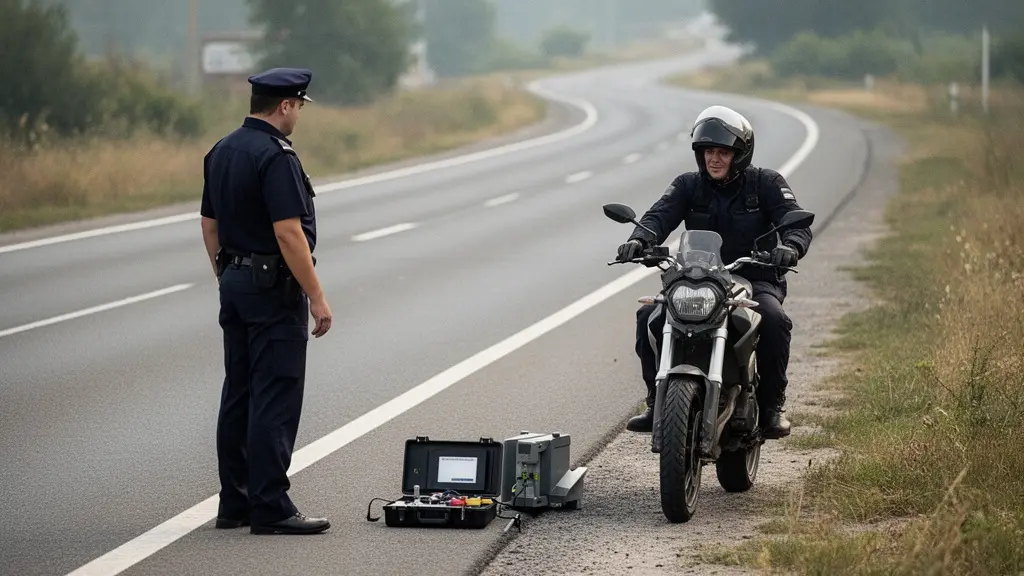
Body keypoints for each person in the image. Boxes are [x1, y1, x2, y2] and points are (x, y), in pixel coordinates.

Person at [615, 105, 812, 440]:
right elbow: (657, 217)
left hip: (755, 277)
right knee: (649, 315)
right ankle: (655, 401)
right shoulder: (688, 185)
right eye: (708, 152)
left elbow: (795, 221)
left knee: (775, 320)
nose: (714, 159)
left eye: (723, 152)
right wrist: (639, 240)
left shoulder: (766, 183)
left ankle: (770, 407)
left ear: (740, 154)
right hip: (698, 278)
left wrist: (790, 247)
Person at [200, 67, 333, 535]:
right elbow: (288, 232)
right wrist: (316, 296)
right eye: (298, 106)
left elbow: (209, 225)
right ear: (285, 106)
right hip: (272, 289)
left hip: (234, 283)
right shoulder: (275, 156)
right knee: (274, 396)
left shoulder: (222, 150)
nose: (298, 115)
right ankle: (270, 506)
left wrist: (227, 273)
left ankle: (233, 503)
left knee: (238, 393)